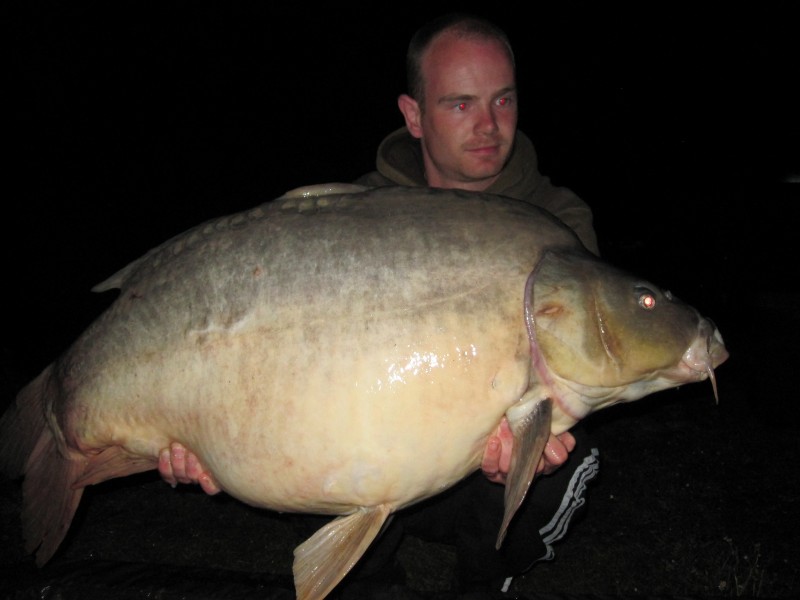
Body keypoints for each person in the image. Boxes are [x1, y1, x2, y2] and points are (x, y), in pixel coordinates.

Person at [160, 13, 600, 600]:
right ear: (413, 115)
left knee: (568, 457)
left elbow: (579, 359)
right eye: (460, 105)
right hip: (370, 462)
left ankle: (485, 580)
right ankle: (371, 581)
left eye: (503, 100)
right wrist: (207, 432)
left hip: (476, 478)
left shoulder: (558, 221)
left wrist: (523, 452)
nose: (490, 126)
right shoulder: (359, 213)